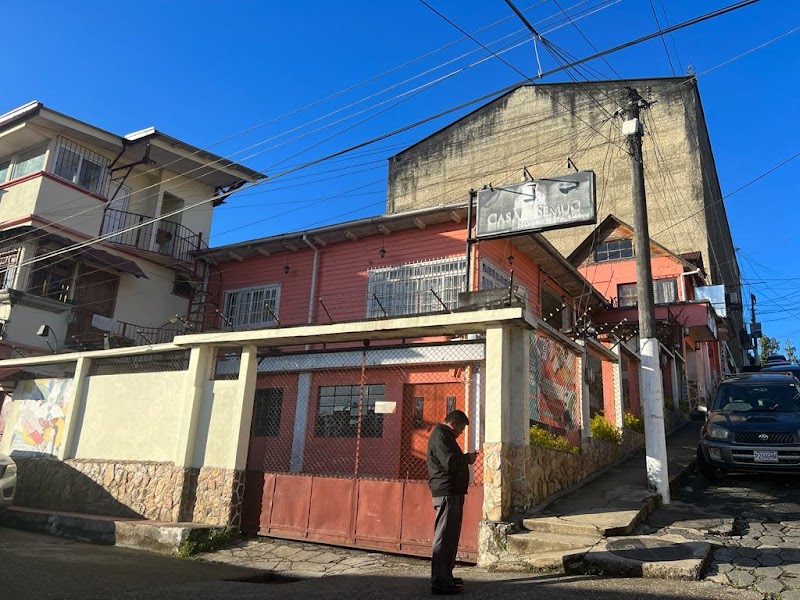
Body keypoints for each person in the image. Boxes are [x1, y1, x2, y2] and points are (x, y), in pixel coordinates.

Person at [426, 409, 477, 595]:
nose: (461, 433)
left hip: (451, 491)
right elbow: (449, 462)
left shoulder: (444, 436)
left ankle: (445, 575)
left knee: (450, 537)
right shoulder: (440, 436)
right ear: (453, 424)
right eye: (461, 429)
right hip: (447, 492)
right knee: (445, 536)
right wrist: (467, 458)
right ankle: (440, 581)